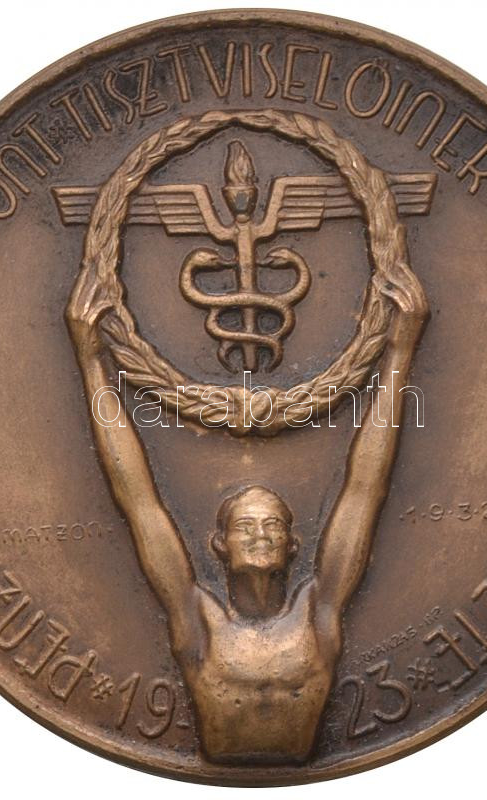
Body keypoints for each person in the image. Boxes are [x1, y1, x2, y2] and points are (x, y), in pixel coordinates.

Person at [66, 247, 426, 764]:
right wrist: (90, 359)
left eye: (273, 525)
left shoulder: (318, 613)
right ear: (219, 545)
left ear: (293, 544)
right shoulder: (196, 618)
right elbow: (138, 499)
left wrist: (400, 350)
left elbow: (366, 488)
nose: (261, 534)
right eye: (247, 526)